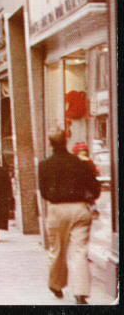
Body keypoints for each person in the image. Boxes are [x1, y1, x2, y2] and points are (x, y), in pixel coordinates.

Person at [38, 129, 101, 305]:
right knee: (79, 250)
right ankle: (81, 292)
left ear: (50, 143)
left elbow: (43, 192)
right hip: (79, 208)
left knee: (57, 249)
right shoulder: (80, 163)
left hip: (57, 209)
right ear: (66, 141)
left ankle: (56, 284)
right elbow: (94, 188)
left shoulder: (44, 165)